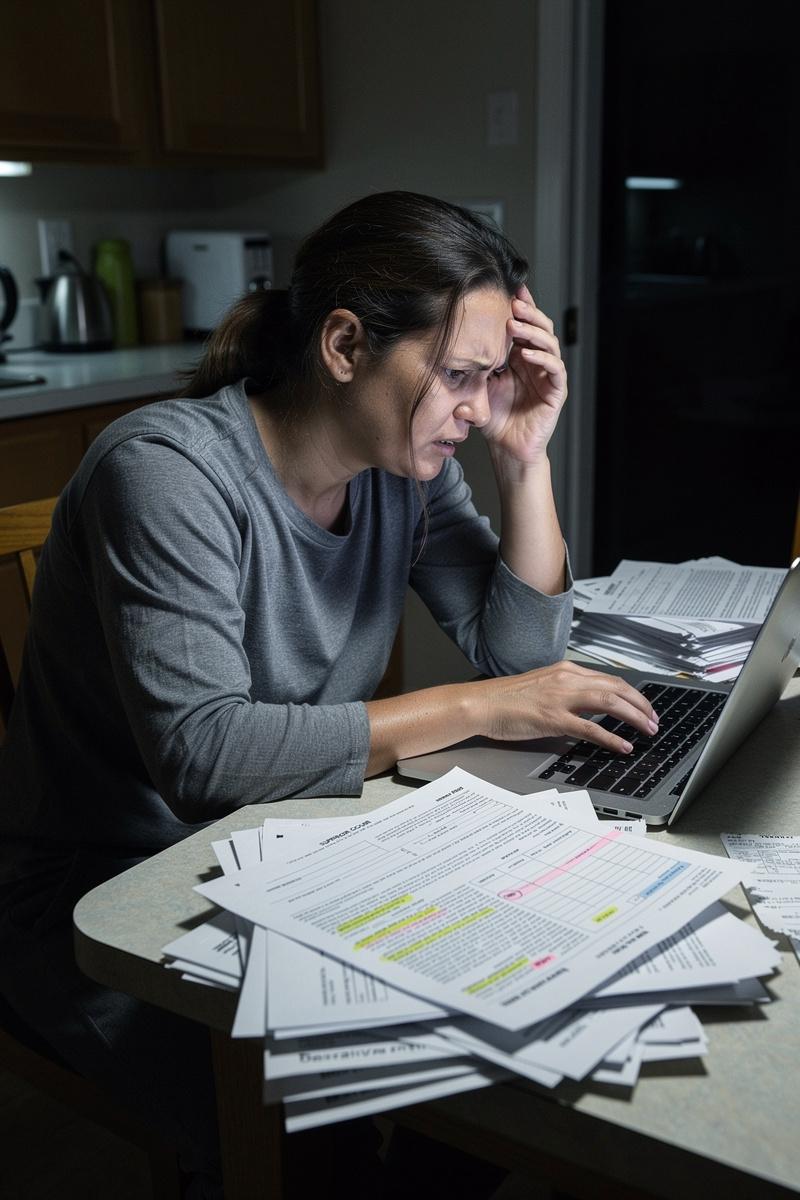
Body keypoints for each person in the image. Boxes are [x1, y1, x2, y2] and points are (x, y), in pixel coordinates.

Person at [0, 191, 659, 1196]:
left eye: (489, 381)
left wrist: (524, 463)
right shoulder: (167, 472)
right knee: (324, 1138)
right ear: (345, 344)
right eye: (457, 378)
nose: (476, 409)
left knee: (485, 1071)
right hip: (102, 900)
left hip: (280, 855)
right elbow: (206, 757)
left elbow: (508, 649)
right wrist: (482, 711)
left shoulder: (401, 468)